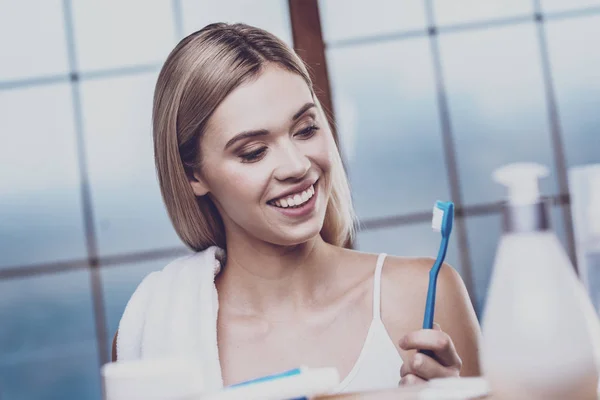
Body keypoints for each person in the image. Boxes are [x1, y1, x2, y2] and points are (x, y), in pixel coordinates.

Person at [112, 22, 480, 393]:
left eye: (305, 130)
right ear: (194, 176)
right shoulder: (154, 331)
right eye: (254, 152)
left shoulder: (422, 298)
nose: (297, 166)